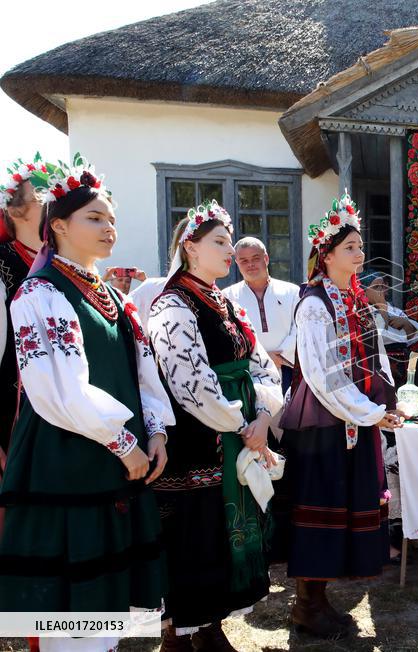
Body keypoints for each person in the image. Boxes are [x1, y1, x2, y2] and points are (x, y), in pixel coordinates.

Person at [0, 155, 173, 651]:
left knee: (107, 607)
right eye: (95, 218)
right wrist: (124, 443)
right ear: (57, 225)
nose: (108, 228)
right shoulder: (40, 294)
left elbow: (142, 373)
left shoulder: (115, 297)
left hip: (118, 463)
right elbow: (58, 391)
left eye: (112, 219)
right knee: (72, 616)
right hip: (68, 462)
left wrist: (156, 431)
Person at [148, 201, 283, 650]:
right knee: (194, 536)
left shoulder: (225, 303)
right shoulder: (172, 304)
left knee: (225, 537)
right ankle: (180, 635)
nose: (230, 251)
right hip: (196, 443)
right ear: (190, 247)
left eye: (230, 242)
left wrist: (263, 417)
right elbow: (189, 382)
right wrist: (243, 423)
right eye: (220, 242)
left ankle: (210, 626)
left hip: (239, 433)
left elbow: (263, 366)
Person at [278, 193, 402, 636]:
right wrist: (369, 412)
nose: (360, 253)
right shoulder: (314, 304)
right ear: (326, 254)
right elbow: (321, 375)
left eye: (360, 245)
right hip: (326, 425)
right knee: (322, 513)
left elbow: (378, 356)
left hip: (356, 420)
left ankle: (318, 600)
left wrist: (387, 403)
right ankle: (307, 604)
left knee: (345, 510)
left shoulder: (356, 300)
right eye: (350, 247)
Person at [0, 155, 46, 453]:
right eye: (44, 195)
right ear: (16, 211)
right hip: (11, 417)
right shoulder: (2, 263)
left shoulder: (63, 266)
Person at [222, 236, 299, 393]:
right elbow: (229, 338)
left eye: (255, 258)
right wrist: (262, 359)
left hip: (288, 367)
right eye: (243, 260)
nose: (250, 264)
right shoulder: (227, 297)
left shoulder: (292, 291)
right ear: (236, 263)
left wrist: (281, 357)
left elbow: (300, 326)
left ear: (266, 258)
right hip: (251, 371)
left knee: (292, 415)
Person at [361, 270, 418, 385]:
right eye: (376, 287)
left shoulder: (394, 310)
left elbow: (417, 334)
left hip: (400, 365)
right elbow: (379, 336)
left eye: (382, 286)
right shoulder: (361, 313)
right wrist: (382, 309)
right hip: (376, 365)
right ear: (364, 291)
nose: (381, 291)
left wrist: (406, 324)